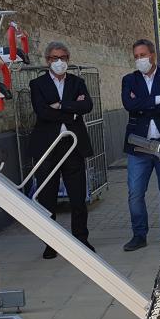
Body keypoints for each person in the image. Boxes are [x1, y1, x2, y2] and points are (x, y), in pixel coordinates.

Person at [29, 41, 95, 259]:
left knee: (78, 197)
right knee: (47, 198)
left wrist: (60, 105)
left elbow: (87, 107)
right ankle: (51, 243)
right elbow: (43, 113)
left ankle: (81, 239)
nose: (60, 62)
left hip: (73, 146)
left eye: (64, 57)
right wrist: (72, 110)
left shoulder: (77, 82)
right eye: (55, 58)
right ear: (47, 60)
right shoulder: (37, 84)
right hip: (48, 148)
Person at [121, 39, 160, 251]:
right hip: (138, 146)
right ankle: (139, 235)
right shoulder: (129, 80)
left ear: (153, 55)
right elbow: (129, 105)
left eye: (143, 55)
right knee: (135, 193)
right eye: (136, 56)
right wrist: (158, 99)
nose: (140, 59)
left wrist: (143, 103)